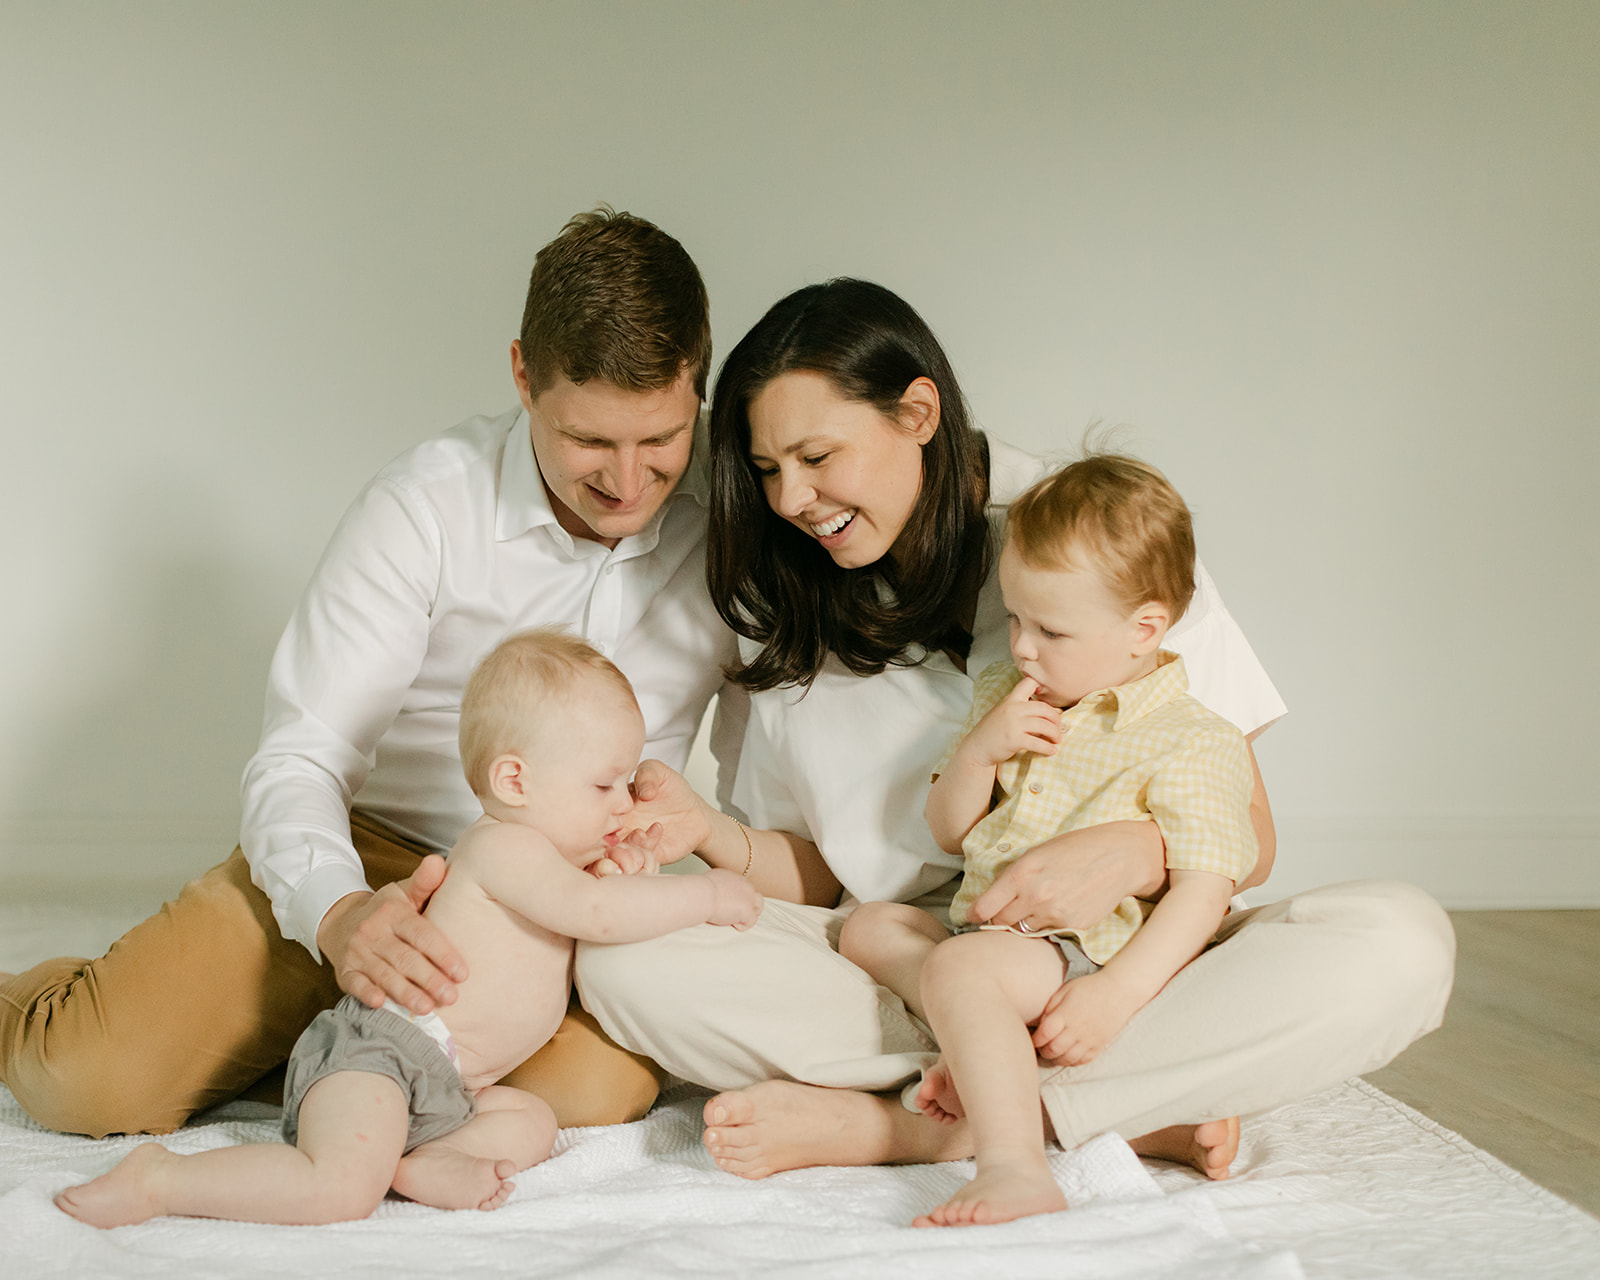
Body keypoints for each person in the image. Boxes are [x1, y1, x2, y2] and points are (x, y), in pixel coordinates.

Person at [577, 277, 1455, 1187]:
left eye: (816, 455)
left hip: (1119, 951)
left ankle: (914, 1130)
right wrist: (709, 835)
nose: (793, 497)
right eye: (768, 470)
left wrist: (1133, 854)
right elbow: (824, 875)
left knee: (1399, 944)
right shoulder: (782, 594)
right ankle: (1109, 1108)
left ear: (918, 412)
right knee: (621, 959)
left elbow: (1248, 838)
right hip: (913, 957)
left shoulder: (1087, 527)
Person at [0, 207, 741, 1137]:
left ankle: (333, 1059)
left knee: (601, 1092)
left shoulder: (740, 518)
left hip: (568, 905)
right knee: (89, 1082)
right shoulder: (424, 506)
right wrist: (343, 912)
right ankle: (52, 998)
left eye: (661, 440)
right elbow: (302, 756)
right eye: (591, 440)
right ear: (522, 375)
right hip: (386, 859)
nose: (629, 481)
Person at [55, 630, 763, 1228]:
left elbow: (601, 913)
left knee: (535, 1122)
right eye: (603, 786)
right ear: (515, 783)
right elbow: (598, 916)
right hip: (380, 1055)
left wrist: (629, 871)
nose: (620, 805)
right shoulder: (503, 848)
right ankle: (161, 1182)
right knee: (339, 1190)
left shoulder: (557, 862)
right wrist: (703, 894)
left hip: (457, 1087)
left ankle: (427, 1160)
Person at [838, 454, 1258, 1226]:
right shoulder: (1011, 695)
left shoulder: (1192, 739)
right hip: (995, 936)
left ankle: (1013, 1167)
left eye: (1051, 629)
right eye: (1017, 617)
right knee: (869, 927)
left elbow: (1207, 890)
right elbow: (949, 832)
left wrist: (1114, 994)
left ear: (1145, 629)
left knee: (962, 970)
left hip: (1087, 952)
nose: (1023, 646)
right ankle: (1023, 1070)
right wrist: (978, 754)